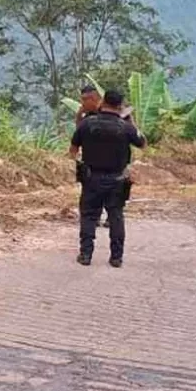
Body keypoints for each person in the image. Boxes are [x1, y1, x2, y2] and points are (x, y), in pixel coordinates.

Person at [70, 89, 145, 268]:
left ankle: (86, 254)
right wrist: (131, 121)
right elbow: (143, 144)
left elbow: (73, 150)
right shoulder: (125, 127)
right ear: (120, 106)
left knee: (88, 216)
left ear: (103, 101)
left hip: (91, 177)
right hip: (117, 179)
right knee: (116, 217)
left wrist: (83, 162)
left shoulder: (87, 124)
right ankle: (116, 257)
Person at [74, 85, 136, 228]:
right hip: (93, 160)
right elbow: (78, 133)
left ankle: (112, 216)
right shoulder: (87, 116)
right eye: (82, 100)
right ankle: (94, 216)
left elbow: (132, 132)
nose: (83, 103)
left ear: (95, 98)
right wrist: (78, 115)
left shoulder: (115, 113)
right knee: (91, 187)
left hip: (116, 159)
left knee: (116, 188)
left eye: (85, 99)